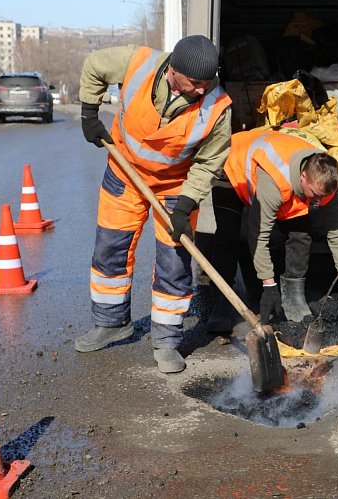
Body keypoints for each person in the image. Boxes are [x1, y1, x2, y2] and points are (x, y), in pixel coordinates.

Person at [74, 35, 232, 374]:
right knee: (110, 249)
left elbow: (208, 163)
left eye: (208, 82)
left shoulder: (217, 106)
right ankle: (111, 322)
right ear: (174, 70)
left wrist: (185, 205)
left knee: (175, 263)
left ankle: (167, 342)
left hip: (175, 187)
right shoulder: (137, 62)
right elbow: (93, 67)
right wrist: (89, 112)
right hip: (124, 172)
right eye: (195, 84)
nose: (202, 90)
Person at [206, 128, 338, 332]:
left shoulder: (323, 183)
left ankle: (293, 298)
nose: (318, 202)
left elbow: (337, 230)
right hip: (232, 168)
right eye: (314, 195)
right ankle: (222, 306)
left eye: (322, 197)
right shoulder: (275, 182)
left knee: (301, 235)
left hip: (277, 181)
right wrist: (268, 285)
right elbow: (258, 235)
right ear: (303, 176)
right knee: (228, 238)